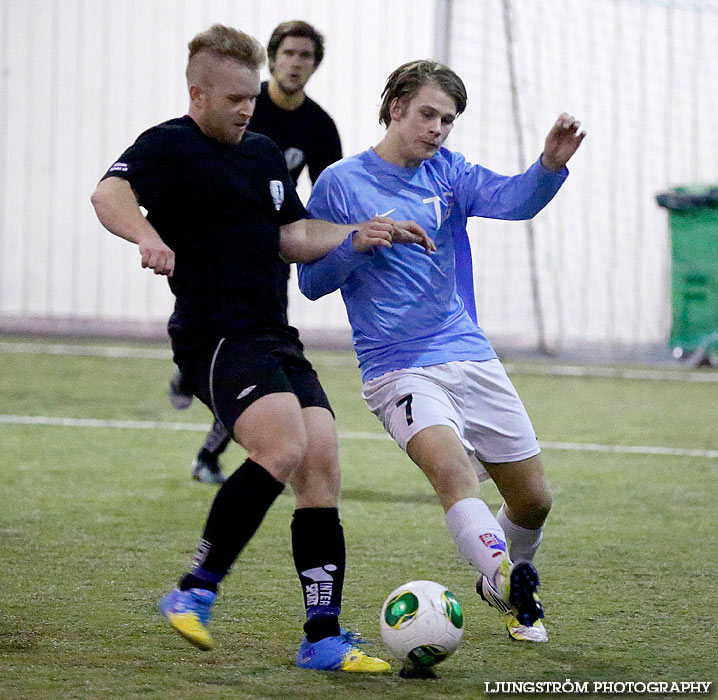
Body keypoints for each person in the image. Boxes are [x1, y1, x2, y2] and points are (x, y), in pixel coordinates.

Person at [90, 25, 431, 672]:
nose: (249, 109)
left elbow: (294, 235)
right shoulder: (169, 145)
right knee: (283, 446)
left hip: (273, 330)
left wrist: (361, 232)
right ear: (199, 93)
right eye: (235, 99)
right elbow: (109, 194)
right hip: (213, 332)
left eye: (252, 97)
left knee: (322, 461)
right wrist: (146, 237)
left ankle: (322, 636)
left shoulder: (265, 152)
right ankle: (193, 591)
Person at [298, 59, 586, 643]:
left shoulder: (449, 173)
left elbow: (513, 200)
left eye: (448, 121)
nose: (437, 129)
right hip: (395, 366)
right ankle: (506, 579)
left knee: (533, 502)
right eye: (428, 114)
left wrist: (550, 165)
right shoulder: (340, 183)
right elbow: (310, 281)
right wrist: (357, 242)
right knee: (455, 474)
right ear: (396, 107)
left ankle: (495, 577)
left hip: (467, 352)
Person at [169, 20, 343, 486]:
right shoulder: (245, 104)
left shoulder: (319, 127)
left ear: (314, 65)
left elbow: (323, 199)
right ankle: (189, 368)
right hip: (212, 254)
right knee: (217, 334)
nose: (295, 63)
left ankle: (209, 455)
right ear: (272, 57)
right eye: (288, 53)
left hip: (268, 257)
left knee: (262, 363)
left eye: (305, 55)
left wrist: (343, 240)